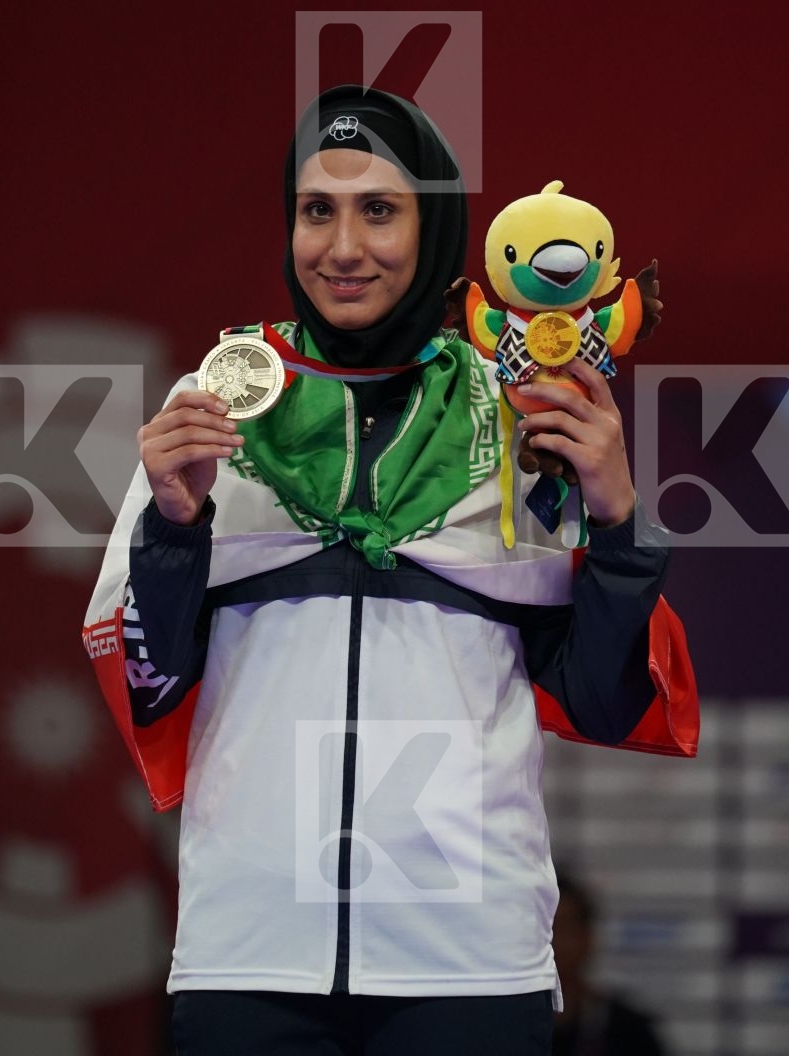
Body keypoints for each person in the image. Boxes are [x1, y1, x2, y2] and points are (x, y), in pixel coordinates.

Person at [83, 84, 697, 1056]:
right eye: (315, 210)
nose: (342, 245)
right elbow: (151, 686)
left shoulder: (515, 426)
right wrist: (174, 527)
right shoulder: (213, 409)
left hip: (469, 957)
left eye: (378, 210)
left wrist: (615, 521)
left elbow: (602, 698)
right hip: (250, 951)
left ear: (435, 227)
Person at [552, 872, 668, 1056]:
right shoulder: (502, 1028)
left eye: (564, 929)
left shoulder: (629, 1032)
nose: (554, 943)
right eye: (545, 931)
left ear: (588, 938)